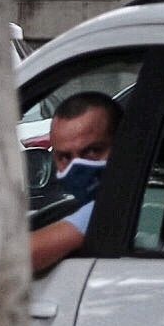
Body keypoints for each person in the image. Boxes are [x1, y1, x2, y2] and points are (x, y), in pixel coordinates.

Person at [30, 91, 122, 274]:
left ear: (123, 145)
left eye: (92, 151)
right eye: (64, 157)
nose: (77, 167)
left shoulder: (116, 208)